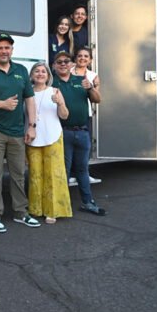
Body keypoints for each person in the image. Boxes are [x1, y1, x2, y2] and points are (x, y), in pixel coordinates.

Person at [0, 33, 41, 232]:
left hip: (17, 131)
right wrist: (2, 104)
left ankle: (21, 213)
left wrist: (32, 126)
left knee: (18, 174)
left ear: (12, 50)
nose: (4, 51)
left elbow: (29, 99)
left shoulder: (20, 70)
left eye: (7, 47)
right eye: (0, 47)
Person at [52, 48, 106, 216]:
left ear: (71, 64)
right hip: (63, 133)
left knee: (83, 170)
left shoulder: (81, 80)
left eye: (66, 61)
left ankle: (88, 202)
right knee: (65, 171)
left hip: (82, 131)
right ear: (54, 65)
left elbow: (98, 100)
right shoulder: (51, 83)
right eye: (59, 62)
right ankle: (62, 205)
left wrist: (90, 87)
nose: (63, 64)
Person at [25, 62, 72, 224]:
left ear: (48, 75)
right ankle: (36, 209)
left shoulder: (55, 91)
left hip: (53, 136)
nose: (40, 74)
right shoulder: (27, 92)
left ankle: (53, 211)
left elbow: (65, 115)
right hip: (33, 137)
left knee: (54, 175)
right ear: (31, 75)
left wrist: (60, 102)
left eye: (43, 71)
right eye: (36, 71)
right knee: (35, 175)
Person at [66, 46, 102, 187]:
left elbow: (97, 99)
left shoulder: (93, 76)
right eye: (80, 55)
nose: (82, 58)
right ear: (75, 58)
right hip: (66, 116)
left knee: (83, 149)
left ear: (90, 60)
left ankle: (83, 174)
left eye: (86, 56)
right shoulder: (67, 71)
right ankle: (69, 176)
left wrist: (90, 87)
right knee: (67, 150)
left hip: (83, 116)